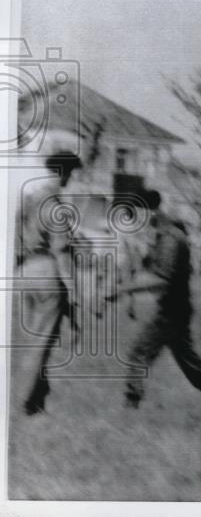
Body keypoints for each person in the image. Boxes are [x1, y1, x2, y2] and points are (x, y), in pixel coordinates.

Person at [110, 190, 201, 424]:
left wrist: (124, 289)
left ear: (149, 210)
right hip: (174, 307)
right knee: (188, 361)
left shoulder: (170, 238)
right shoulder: (164, 236)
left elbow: (163, 278)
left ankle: (130, 409)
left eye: (135, 215)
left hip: (172, 310)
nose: (135, 222)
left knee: (140, 352)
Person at [14, 151, 82, 415]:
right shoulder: (56, 207)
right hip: (46, 272)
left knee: (30, 340)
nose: (71, 179)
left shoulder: (30, 198)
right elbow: (61, 253)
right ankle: (24, 404)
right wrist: (73, 294)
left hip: (24, 271)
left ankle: (37, 399)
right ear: (64, 173)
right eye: (72, 173)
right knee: (39, 344)